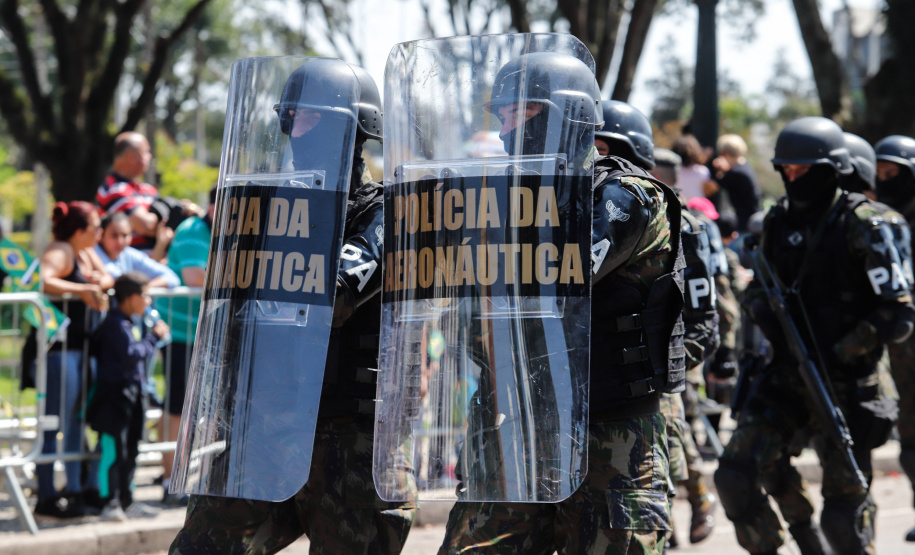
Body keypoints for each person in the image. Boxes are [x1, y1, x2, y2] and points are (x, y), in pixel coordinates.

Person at [438, 59, 685, 553]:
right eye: (502, 115)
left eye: (518, 113)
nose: (504, 128)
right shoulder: (501, 199)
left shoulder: (625, 195)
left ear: (563, 116)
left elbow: (564, 274)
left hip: (609, 433)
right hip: (517, 427)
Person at [170, 60, 415, 554]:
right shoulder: (269, 209)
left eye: (307, 117)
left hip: (350, 439)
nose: (292, 127)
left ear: (351, 126)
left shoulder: (390, 211)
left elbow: (338, 293)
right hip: (264, 430)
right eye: (290, 115)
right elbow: (230, 315)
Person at [715, 116, 915, 555]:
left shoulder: (870, 223)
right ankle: (803, 542)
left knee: (844, 520)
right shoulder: (777, 223)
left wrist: (837, 350)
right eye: (786, 169)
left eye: (802, 170)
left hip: (849, 384)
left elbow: (897, 313)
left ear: (832, 169)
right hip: (787, 376)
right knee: (735, 475)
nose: (792, 178)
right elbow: (754, 292)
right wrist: (769, 317)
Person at [649, 146, 719, 548]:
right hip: (654, 351)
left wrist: (705, 352)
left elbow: (710, 291)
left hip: (680, 351)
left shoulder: (688, 223)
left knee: (676, 432)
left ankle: (700, 499)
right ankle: (677, 515)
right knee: (677, 433)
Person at [28, 201, 113, 518]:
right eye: (96, 228)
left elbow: (107, 277)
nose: (100, 233)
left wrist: (92, 282)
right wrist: (81, 288)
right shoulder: (61, 250)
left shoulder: (84, 251)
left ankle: (75, 489)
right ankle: (47, 494)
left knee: (75, 420)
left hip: (80, 349)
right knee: (54, 421)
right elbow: (43, 279)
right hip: (57, 351)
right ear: (80, 231)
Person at [87, 272, 169, 522]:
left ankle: (127, 498)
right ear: (132, 298)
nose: (148, 300)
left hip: (133, 394)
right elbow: (131, 353)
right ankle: (109, 501)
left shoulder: (131, 322)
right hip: (115, 397)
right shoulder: (114, 323)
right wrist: (154, 336)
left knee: (132, 449)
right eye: (145, 295)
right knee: (114, 451)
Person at [155, 186, 215, 506]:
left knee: (199, 410)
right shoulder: (193, 230)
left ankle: (188, 476)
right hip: (181, 333)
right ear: (215, 205)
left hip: (206, 334)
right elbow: (195, 278)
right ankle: (170, 480)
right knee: (177, 407)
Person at [872, 134, 915, 542]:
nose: (886, 179)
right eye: (880, 172)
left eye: (894, 173)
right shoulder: (880, 221)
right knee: (912, 434)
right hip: (903, 350)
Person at [96, 132, 200, 256]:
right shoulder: (113, 189)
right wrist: (173, 216)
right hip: (132, 268)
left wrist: (183, 211)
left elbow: (158, 223)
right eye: (146, 152)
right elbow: (146, 225)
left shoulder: (147, 189)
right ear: (132, 157)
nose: (150, 157)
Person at [96, 212, 179, 288]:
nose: (120, 242)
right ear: (101, 235)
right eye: (114, 236)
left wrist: (142, 290)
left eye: (125, 235)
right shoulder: (93, 253)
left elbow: (172, 278)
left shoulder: (130, 254)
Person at [710, 134, 761, 232]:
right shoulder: (743, 166)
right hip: (750, 221)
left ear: (724, 153)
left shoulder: (735, 173)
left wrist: (716, 170)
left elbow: (709, 189)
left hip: (746, 226)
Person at [671, 134, 714, 202]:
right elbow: (707, 192)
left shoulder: (671, 171)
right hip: (697, 209)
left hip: (677, 207)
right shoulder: (703, 171)